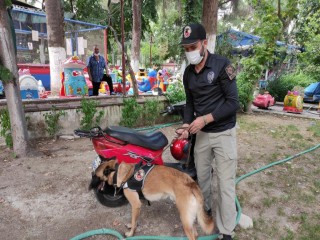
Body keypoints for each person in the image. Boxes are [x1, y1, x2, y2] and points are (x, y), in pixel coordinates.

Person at [177, 23, 240, 240]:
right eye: (185, 48)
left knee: (225, 184)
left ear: (204, 43)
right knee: (201, 181)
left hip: (223, 133)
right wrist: (187, 125)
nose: (189, 52)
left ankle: (227, 230)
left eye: (192, 46)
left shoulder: (222, 65)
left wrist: (205, 119)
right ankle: (207, 213)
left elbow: (233, 103)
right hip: (201, 135)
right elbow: (189, 103)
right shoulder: (188, 73)